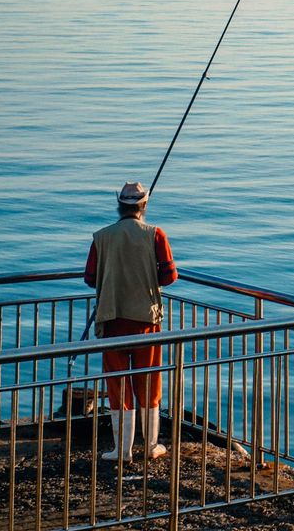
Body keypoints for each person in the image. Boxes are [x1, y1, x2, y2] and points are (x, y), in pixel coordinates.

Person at [84, 181, 178, 462]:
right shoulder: (155, 235)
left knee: (117, 383)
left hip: (112, 320)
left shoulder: (101, 237)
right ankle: (150, 447)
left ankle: (121, 450)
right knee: (149, 382)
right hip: (145, 323)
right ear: (144, 205)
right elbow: (170, 276)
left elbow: (90, 279)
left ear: (119, 205)